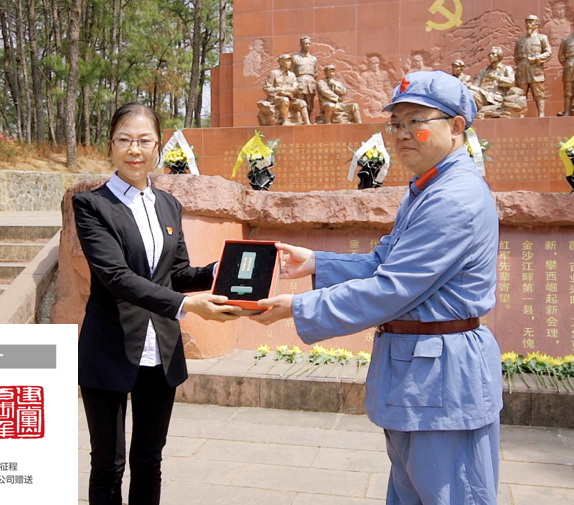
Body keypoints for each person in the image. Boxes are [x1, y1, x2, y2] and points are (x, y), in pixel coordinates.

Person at [252, 71, 502, 505]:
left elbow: (392, 287)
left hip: (442, 382)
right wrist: (316, 262)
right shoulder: (427, 189)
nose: (402, 134)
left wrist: (299, 307)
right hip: (422, 378)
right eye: (395, 124)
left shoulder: (452, 197)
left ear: (457, 126)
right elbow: (382, 263)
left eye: (415, 121)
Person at [73, 103, 239, 505]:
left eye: (144, 140)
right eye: (125, 140)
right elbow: (116, 277)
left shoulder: (168, 205)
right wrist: (188, 307)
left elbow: (176, 273)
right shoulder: (92, 205)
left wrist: (223, 272)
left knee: (149, 461)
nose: (135, 149)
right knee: (108, 464)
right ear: (111, 145)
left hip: (160, 350)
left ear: (158, 147)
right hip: (109, 346)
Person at [515, 15, 552, 117]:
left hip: (535, 69)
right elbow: (516, 57)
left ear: (536, 24)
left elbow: (548, 53)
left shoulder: (542, 38)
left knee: (539, 93)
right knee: (521, 93)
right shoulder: (520, 41)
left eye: (531, 22)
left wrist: (537, 58)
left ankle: (541, 113)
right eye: (527, 22)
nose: (529, 24)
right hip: (523, 70)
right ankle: (520, 114)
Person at [292, 36, 319, 117]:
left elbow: (315, 72)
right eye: (305, 43)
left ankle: (308, 121)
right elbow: (292, 71)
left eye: (309, 44)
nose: (307, 45)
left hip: (310, 83)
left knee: (310, 106)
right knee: (300, 103)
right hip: (299, 82)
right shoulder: (295, 58)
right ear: (301, 45)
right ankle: (300, 120)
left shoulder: (313, 59)